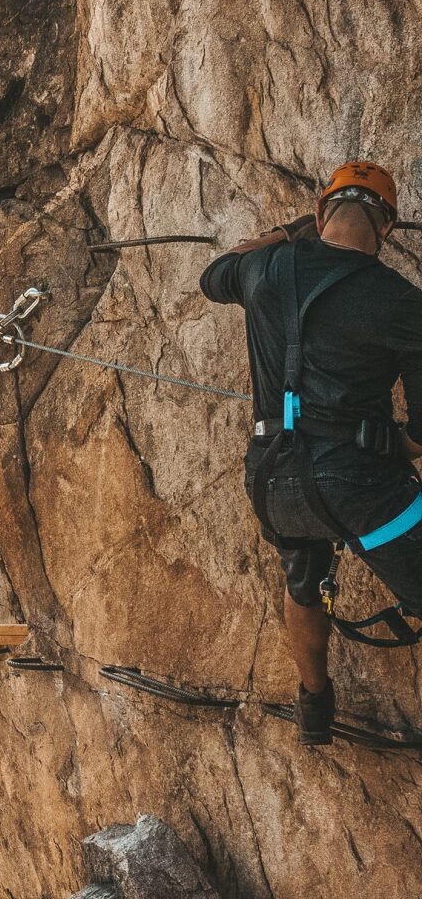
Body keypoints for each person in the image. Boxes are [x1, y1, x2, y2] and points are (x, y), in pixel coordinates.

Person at [201, 160, 422, 745]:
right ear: (389, 229)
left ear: (322, 213)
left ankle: (315, 705)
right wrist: (394, 444)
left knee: (304, 579)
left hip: (274, 486)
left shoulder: (261, 271)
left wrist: (286, 232)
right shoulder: (401, 302)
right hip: (362, 494)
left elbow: (213, 273)